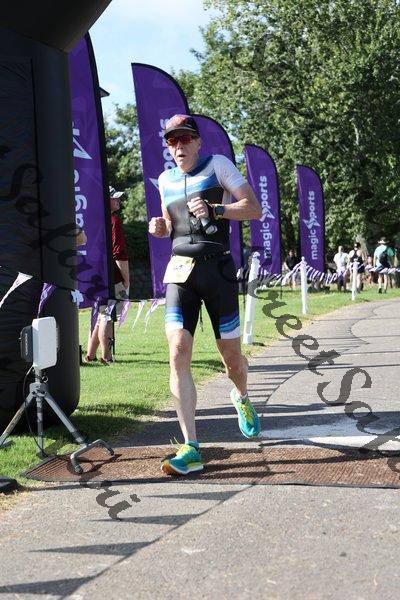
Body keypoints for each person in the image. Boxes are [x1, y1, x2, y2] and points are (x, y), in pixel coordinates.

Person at [149, 114, 262, 476]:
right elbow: (171, 225)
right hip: (180, 272)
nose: (178, 146)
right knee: (177, 350)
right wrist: (161, 227)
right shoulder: (164, 180)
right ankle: (191, 446)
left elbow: (254, 208)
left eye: (185, 139)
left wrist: (218, 209)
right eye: (172, 141)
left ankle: (241, 396)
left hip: (218, 271)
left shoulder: (218, 166)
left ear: (197, 142)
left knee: (231, 360)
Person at [86, 186, 130, 364]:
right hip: (111, 276)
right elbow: (119, 253)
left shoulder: (91, 220)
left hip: (94, 275)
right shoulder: (114, 221)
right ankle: (107, 357)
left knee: (101, 315)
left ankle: (90, 355)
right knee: (108, 316)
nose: (118, 201)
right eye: (115, 198)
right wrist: (126, 278)